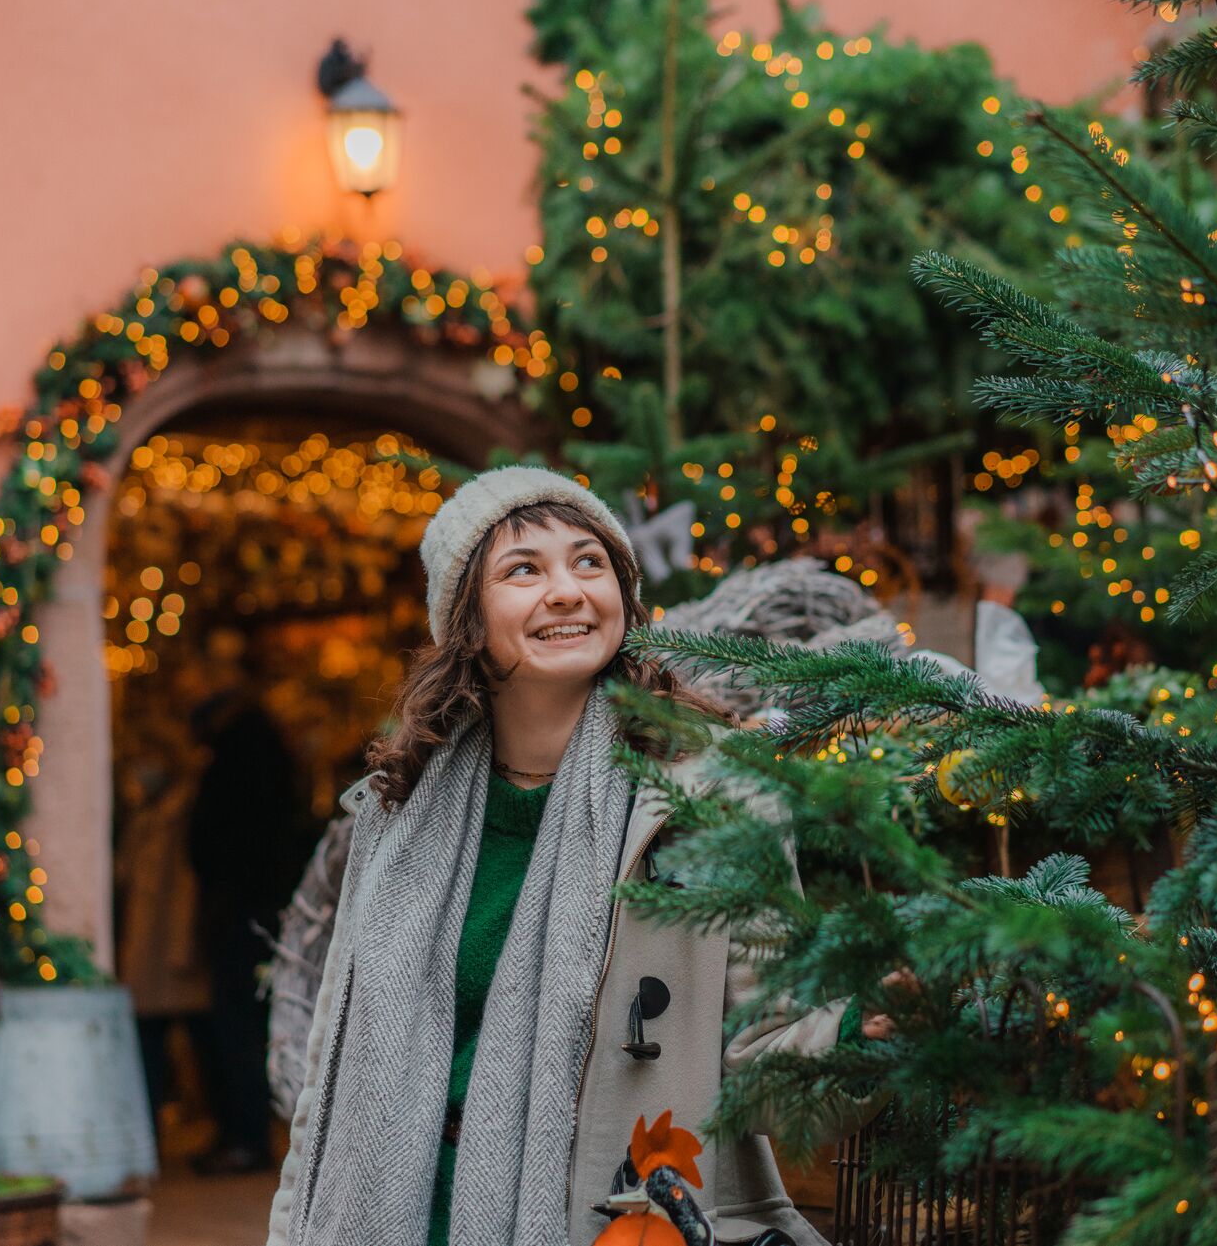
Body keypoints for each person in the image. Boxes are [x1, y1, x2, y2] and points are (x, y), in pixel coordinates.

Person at [266, 467, 881, 1246]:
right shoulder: (399, 810)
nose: (566, 590)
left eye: (590, 562)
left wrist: (870, 1026)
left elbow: (766, 1068)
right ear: (467, 621)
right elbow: (330, 1078)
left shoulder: (708, 799)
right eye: (524, 569)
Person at [186, 679, 310, 1175]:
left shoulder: (238, 761)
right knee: (252, 1021)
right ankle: (250, 1133)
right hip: (261, 906)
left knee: (238, 1024)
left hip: (241, 909)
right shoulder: (270, 758)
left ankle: (246, 1136)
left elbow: (221, 841)